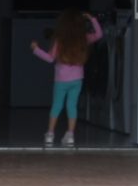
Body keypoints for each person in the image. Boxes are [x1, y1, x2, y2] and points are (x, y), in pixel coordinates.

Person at [33, 8, 102, 146]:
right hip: (77, 80)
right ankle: (70, 135)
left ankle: (50, 134)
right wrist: (92, 19)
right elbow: (99, 35)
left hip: (61, 80)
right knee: (72, 106)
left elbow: (50, 58)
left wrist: (36, 49)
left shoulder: (60, 40)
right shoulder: (83, 39)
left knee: (57, 105)